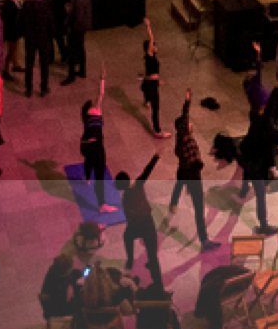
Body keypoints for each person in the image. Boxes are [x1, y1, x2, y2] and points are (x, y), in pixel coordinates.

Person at [168, 91, 214, 248]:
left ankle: (173, 203)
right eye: (188, 123)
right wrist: (199, 165)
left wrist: (187, 101)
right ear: (184, 128)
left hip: (184, 172)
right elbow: (192, 164)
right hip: (192, 177)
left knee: (179, 183)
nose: (191, 124)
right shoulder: (186, 140)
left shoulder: (181, 136)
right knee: (199, 207)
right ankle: (204, 240)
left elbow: (184, 115)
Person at [116, 154, 164, 286]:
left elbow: (130, 218)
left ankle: (130, 259)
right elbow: (146, 171)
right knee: (152, 256)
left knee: (127, 236)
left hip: (137, 225)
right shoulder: (137, 185)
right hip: (147, 224)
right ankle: (158, 283)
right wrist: (155, 158)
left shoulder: (126, 197)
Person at [237, 100, 278, 235]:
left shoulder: (254, 123)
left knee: (247, 172)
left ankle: (243, 190)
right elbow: (269, 154)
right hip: (257, 166)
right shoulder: (265, 134)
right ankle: (263, 225)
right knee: (261, 195)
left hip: (248, 160)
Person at [78, 72, 112, 212]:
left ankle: (86, 177)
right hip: (94, 147)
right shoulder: (93, 113)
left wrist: (102, 78)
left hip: (87, 146)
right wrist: (102, 79)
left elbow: (101, 94)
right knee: (99, 174)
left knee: (89, 161)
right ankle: (102, 205)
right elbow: (100, 95)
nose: (97, 104)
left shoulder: (89, 115)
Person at [19, 0, 54, 97]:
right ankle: (43, 88)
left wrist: (24, 33)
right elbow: (50, 24)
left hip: (30, 39)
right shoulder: (46, 7)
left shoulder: (26, 6)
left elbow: (20, 21)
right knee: (44, 64)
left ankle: (28, 89)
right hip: (43, 39)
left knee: (29, 64)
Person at [62, 0, 93, 84]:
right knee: (80, 48)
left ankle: (71, 76)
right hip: (82, 28)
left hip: (76, 29)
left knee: (72, 52)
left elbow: (77, 17)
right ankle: (82, 71)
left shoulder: (79, 0)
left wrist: (68, 11)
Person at [139, 17, 164, 138]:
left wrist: (158, 80)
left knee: (146, 88)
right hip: (152, 85)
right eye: (154, 45)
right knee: (156, 108)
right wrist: (148, 26)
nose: (156, 46)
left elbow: (151, 74)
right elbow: (151, 38)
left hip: (151, 83)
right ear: (150, 47)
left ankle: (146, 100)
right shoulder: (149, 56)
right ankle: (157, 131)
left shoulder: (152, 57)